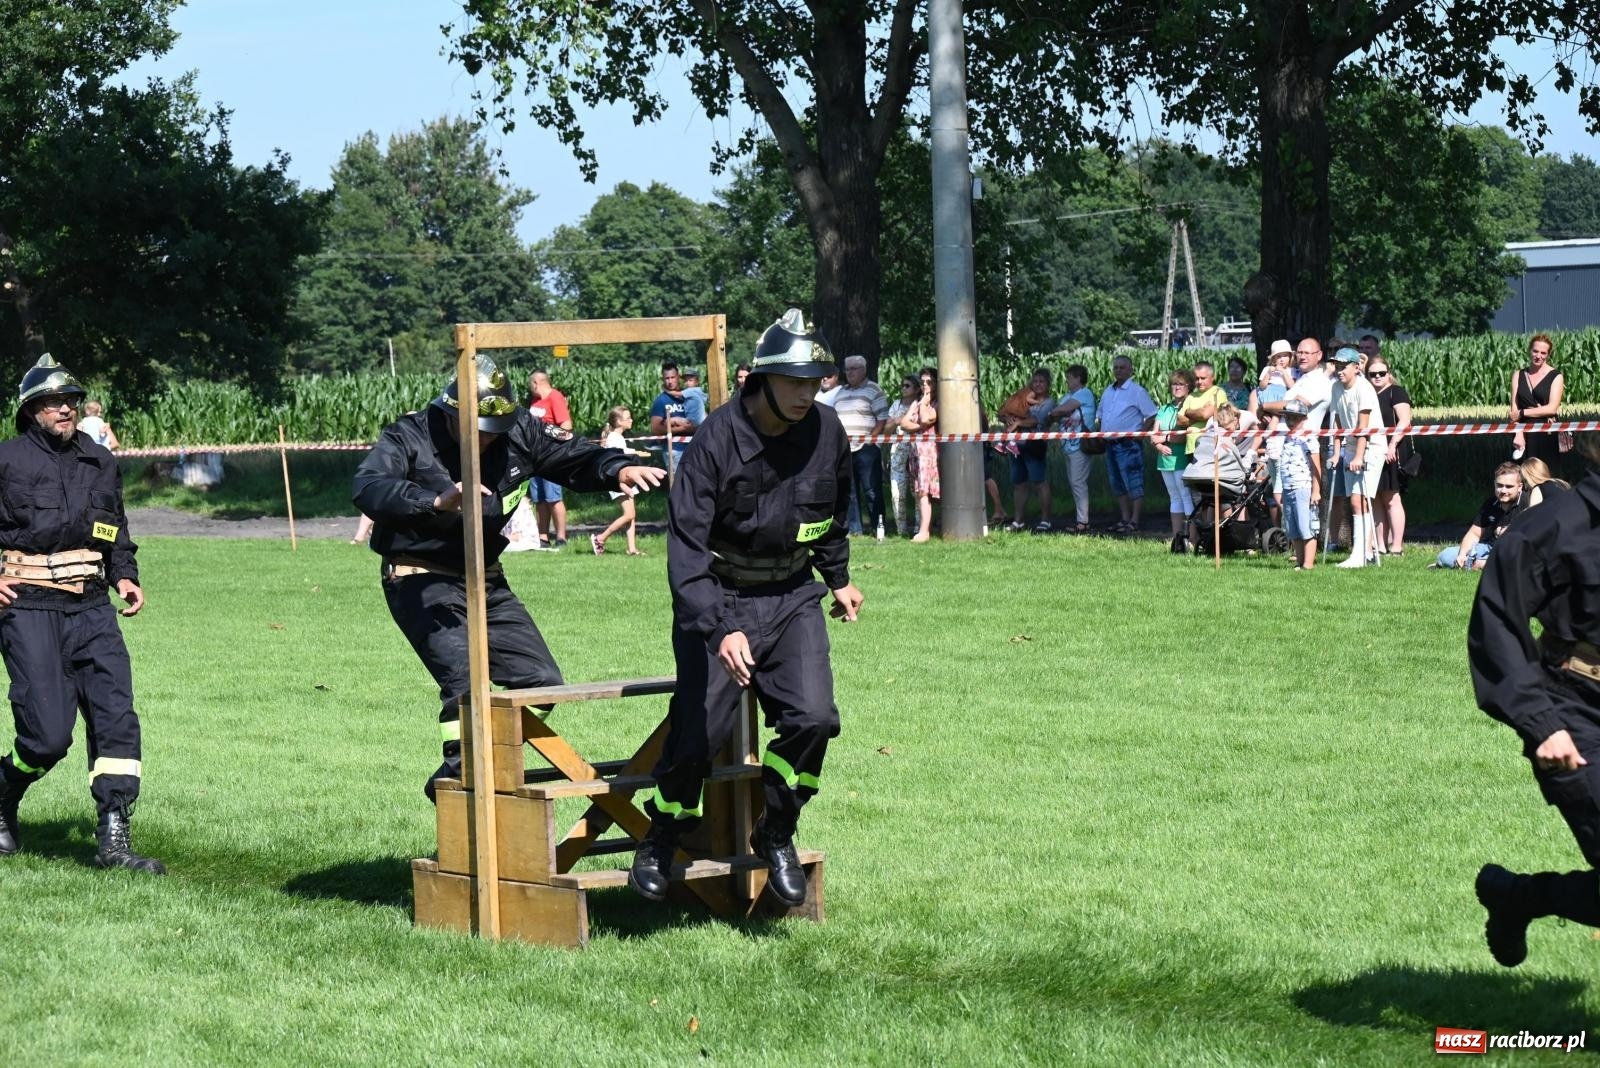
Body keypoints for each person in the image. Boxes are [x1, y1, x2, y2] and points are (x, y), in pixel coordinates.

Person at [629, 308, 862, 909]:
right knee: (699, 732)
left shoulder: (829, 432)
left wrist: (837, 578)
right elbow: (684, 549)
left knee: (813, 719)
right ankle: (663, 835)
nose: (806, 394)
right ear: (759, 379)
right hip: (721, 598)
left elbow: (832, 513)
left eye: (815, 382)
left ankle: (776, 829)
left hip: (791, 597)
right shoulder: (716, 441)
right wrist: (719, 628)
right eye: (795, 382)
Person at [353, 355, 663, 800]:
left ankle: (460, 772)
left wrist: (615, 467)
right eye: (479, 428)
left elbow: (572, 457)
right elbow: (369, 486)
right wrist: (434, 500)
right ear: (451, 412)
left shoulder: (520, 430)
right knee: (464, 684)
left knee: (541, 682)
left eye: (495, 428)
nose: (488, 439)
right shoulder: (409, 435)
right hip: (421, 576)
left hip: (486, 579)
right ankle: (463, 782)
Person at [0, 354, 162, 872]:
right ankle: (4, 790)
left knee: (116, 718)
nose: (64, 409)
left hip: (92, 608)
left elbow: (113, 526)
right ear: (31, 411)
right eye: (51, 402)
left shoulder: (100, 460)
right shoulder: (6, 461)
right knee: (47, 736)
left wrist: (124, 574)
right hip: (29, 607)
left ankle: (114, 837)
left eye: (69, 400)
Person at [1467, 443, 1600, 967]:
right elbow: (1496, 622)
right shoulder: (1553, 525)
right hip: (1575, 714)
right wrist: (1542, 724)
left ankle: (1518, 897)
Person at [1328, 347, 1387, 568]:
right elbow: (1337, 424)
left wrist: (1359, 456)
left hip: (1371, 447)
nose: (1339, 370)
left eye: (1343, 366)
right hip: (1351, 447)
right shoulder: (1335, 387)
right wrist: (1336, 453)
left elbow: (1364, 427)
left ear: (1356, 367)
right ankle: (1363, 552)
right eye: (1337, 366)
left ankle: (1360, 554)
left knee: (1359, 499)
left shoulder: (1364, 388)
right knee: (1355, 501)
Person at [832, 355, 890, 537]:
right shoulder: (840, 392)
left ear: (863, 370)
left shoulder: (874, 390)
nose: (849, 372)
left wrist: (868, 441)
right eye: (847, 369)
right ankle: (854, 529)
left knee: (871, 490)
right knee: (848, 491)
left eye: (854, 368)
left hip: (866, 449)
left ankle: (877, 527)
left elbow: (882, 420)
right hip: (845, 449)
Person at [1099, 354, 1158, 534]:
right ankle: (1124, 518)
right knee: (1117, 483)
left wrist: (1141, 433)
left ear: (1131, 370)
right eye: (1116, 367)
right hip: (1110, 444)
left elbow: (1152, 414)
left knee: (1133, 482)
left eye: (1122, 367)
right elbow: (1100, 414)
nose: (1118, 370)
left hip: (1128, 444)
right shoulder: (1108, 391)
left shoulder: (1137, 391)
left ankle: (1135, 520)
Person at [1434, 462, 1524, 570]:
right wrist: (1462, 555)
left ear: (1520, 487)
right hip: (1490, 547)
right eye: (1499, 485)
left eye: (1509, 486)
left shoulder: (1528, 502)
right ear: (1494, 483)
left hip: (1517, 551)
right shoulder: (1491, 503)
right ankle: (1479, 564)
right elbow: (1474, 533)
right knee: (1445, 556)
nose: (1503, 491)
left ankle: (1482, 564)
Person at [592, 406, 652, 556]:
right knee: (629, 514)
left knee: (632, 514)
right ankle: (600, 538)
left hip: (625, 480)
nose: (631, 420)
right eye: (628, 418)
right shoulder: (614, 438)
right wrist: (635, 452)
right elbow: (617, 454)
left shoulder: (618, 437)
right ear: (619, 422)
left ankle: (632, 548)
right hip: (618, 481)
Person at [1368, 357, 1413, 556]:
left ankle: (1397, 545)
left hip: (1392, 450)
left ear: (1388, 373)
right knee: (1376, 498)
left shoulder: (1396, 391)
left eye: (1381, 373)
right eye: (1373, 374)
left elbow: (1404, 420)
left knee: (1392, 498)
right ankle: (1380, 545)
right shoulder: (1368, 394)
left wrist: (1392, 444)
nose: (1377, 377)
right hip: (1373, 449)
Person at [1003, 368, 1055, 533]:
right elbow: (1006, 411)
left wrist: (1018, 422)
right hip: (1016, 445)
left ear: (1048, 384)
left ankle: (1045, 520)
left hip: (1035, 445)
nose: (1038, 384)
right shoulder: (1023, 397)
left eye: (1042, 381)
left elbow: (1037, 420)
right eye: (1036, 381)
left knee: (1039, 482)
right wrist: (1008, 417)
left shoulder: (1049, 403)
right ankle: (1018, 521)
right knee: (1018, 483)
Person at [527, 369, 574, 550]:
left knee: (553, 496)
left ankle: (561, 537)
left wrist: (552, 445)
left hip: (550, 455)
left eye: (530, 385)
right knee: (540, 498)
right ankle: (543, 537)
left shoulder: (555, 397)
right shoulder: (536, 401)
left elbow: (566, 425)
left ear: (536, 383)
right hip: (534, 457)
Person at [1275, 399, 1322, 570]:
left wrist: (1316, 491)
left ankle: (1308, 564)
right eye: (1287, 417)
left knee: (1306, 526)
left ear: (1303, 418)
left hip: (1303, 487)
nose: (1290, 421)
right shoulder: (1287, 437)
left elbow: (1316, 466)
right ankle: (1299, 561)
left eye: (1294, 417)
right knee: (1292, 528)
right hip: (1288, 488)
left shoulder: (1308, 437)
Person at [1049, 364, 1096, 533]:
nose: (1067, 381)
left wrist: (1055, 412)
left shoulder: (1084, 393)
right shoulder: (1068, 395)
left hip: (1080, 445)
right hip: (1068, 445)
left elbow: (1062, 409)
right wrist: (1055, 412)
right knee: (1074, 482)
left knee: (1078, 482)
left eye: (1069, 378)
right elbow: (1056, 412)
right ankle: (1080, 518)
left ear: (1078, 378)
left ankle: (1083, 521)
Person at [1153, 369, 1196, 553]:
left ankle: (1192, 539)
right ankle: (1177, 537)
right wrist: (1159, 445)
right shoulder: (1164, 408)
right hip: (1164, 461)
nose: (1177, 387)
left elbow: (1182, 437)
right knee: (1174, 498)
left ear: (1188, 387)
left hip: (1181, 459)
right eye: (1174, 384)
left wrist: (1166, 438)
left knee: (1186, 497)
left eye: (1181, 384)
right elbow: (1154, 435)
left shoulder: (1189, 408)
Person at [1510, 334, 1564, 466]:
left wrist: (1523, 413)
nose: (1538, 355)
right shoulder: (1518, 375)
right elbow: (1513, 412)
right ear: (1530, 350)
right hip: (1522, 433)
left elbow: (1552, 408)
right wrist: (1518, 433)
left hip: (1546, 433)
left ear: (1548, 354)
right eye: (1535, 351)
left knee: (1546, 475)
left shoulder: (1556, 376)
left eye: (1543, 352)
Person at [901, 367, 941, 543]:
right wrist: (919, 428)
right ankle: (927, 527)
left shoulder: (937, 403)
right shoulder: (916, 402)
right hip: (916, 451)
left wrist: (925, 403)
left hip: (930, 452)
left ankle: (924, 530)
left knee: (925, 492)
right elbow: (903, 423)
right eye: (923, 382)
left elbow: (926, 419)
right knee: (919, 491)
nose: (925, 385)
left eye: (929, 382)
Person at [650, 362, 700, 476]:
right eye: (667, 378)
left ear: (678, 377)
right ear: (663, 379)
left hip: (695, 447)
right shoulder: (661, 401)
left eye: (673, 377)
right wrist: (682, 428)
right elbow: (656, 428)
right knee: (678, 484)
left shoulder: (688, 397)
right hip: (674, 450)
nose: (670, 381)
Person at [885, 375, 918, 536]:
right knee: (897, 493)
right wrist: (896, 420)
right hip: (898, 453)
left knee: (918, 492)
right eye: (902, 385)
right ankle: (901, 530)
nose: (903, 388)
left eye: (907, 386)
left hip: (915, 452)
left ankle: (919, 528)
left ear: (916, 389)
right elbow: (887, 428)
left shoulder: (919, 405)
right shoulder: (896, 405)